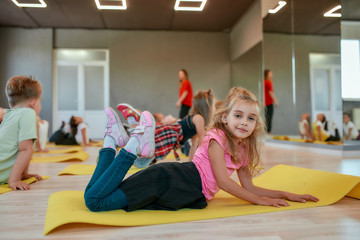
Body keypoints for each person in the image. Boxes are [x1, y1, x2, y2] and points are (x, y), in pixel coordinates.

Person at [84, 87, 318, 213]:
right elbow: (225, 183)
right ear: (224, 118)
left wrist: (285, 194)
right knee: (96, 202)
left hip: (179, 184)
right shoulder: (217, 139)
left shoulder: (243, 150)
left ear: (256, 124)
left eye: (251, 118)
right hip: (176, 180)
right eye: (238, 116)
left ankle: (110, 141)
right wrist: (260, 202)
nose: (244, 122)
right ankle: (132, 146)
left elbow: (250, 186)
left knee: (93, 194)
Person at [118, 89, 214, 164]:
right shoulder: (199, 118)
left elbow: (194, 145)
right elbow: (203, 140)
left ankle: (132, 122)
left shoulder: (196, 119)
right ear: (207, 108)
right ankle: (133, 119)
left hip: (172, 133)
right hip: (173, 133)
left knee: (147, 145)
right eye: (213, 107)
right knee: (147, 145)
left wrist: (191, 164)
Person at [0, 75, 43, 190]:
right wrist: (14, 180)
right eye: (40, 102)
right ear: (33, 102)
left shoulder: (8, 114)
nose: (40, 105)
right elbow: (25, 149)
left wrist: (23, 174)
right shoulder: (28, 113)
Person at [264, 69, 278, 135]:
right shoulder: (268, 82)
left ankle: (266, 133)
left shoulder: (264, 82)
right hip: (269, 103)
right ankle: (268, 134)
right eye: (270, 73)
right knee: (269, 119)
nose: (272, 74)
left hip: (265, 103)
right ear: (267, 75)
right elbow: (270, 92)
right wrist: (276, 101)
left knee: (266, 119)